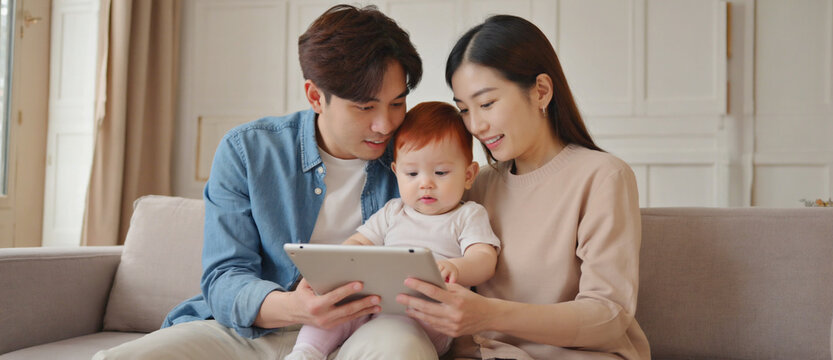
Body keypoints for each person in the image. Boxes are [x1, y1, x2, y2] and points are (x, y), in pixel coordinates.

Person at [94, 4, 431, 359]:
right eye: (365, 108)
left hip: (367, 332)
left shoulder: (422, 156)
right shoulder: (248, 151)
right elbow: (224, 277)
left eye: (397, 103)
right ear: (316, 97)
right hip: (256, 330)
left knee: (401, 348)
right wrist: (296, 308)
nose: (385, 125)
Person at [394, 15, 652, 359]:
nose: (476, 125)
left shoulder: (603, 177)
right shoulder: (475, 186)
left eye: (487, 104)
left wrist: (490, 314)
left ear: (541, 91)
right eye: (464, 110)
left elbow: (608, 315)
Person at [286, 102, 501, 360]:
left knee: (396, 330)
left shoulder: (467, 215)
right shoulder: (393, 211)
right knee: (337, 306)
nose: (425, 183)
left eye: (441, 172)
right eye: (412, 173)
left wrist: (456, 268)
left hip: (429, 317)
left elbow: (484, 259)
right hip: (376, 304)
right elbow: (360, 241)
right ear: (397, 173)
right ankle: (305, 352)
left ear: (468, 175)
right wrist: (342, 260)